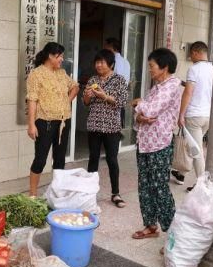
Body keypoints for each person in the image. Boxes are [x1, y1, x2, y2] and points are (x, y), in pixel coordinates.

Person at [131, 48, 182, 239]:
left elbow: (150, 110)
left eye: (152, 66)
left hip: (159, 145)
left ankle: (174, 235)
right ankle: (151, 226)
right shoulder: (156, 88)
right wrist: (140, 114)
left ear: (164, 67)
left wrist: (138, 103)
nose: (150, 70)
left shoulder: (172, 86)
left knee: (160, 189)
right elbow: (141, 116)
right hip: (144, 143)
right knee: (145, 186)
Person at [27, 42, 80, 196]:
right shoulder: (36, 74)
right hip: (45, 123)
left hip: (64, 122)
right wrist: (31, 124)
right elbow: (32, 99)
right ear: (50, 56)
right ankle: (32, 194)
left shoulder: (61, 73)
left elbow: (75, 86)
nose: (62, 59)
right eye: (60, 56)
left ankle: (57, 192)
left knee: (59, 158)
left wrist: (66, 100)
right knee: (40, 159)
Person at [83, 49, 129, 208]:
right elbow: (86, 103)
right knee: (93, 158)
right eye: (97, 62)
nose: (99, 65)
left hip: (111, 126)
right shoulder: (92, 79)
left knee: (112, 159)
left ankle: (115, 193)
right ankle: (89, 194)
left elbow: (122, 102)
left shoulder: (120, 80)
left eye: (102, 62)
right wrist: (88, 96)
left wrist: (105, 96)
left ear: (111, 64)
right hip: (94, 124)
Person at [172, 41, 213, 192]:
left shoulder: (194, 69)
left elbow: (188, 93)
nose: (190, 56)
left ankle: (202, 185)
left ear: (196, 52)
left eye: (191, 53)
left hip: (194, 116)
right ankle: (181, 173)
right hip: (208, 116)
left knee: (196, 151)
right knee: (193, 146)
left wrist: (181, 114)